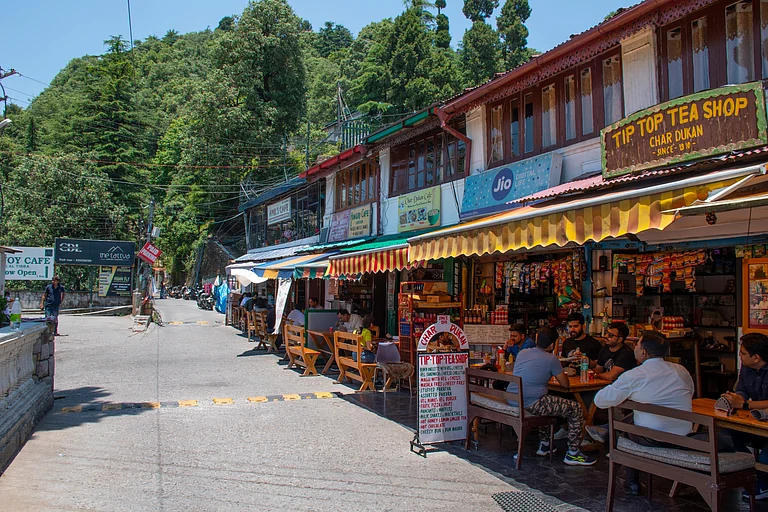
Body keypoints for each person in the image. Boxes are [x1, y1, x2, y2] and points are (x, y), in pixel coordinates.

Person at [593, 331, 694, 496]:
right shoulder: (681, 370)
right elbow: (690, 392)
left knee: (627, 428)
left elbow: (600, 400)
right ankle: (606, 432)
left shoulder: (635, 375)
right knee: (635, 418)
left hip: (652, 439)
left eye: (637, 344)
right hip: (683, 436)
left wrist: (632, 396)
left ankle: (631, 482)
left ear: (644, 352)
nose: (635, 347)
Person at [508, 326, 597, 466]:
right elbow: (565, 385)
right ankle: (573, 453)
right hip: (531, 402)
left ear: (536, 339)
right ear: (552, 344)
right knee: (575, 408)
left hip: (513, 398)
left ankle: (544, 445)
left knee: (547, 400)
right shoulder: (552, 359)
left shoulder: (523, 352)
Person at [722, 333, 768, 500]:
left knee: (764, 457)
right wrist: (736, 398)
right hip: (754, 422)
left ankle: (762, 485)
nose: (739, 356)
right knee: (725, 437)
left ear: (756, 357)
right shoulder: (746, 369)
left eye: (742, 353)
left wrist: (744, 404)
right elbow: (741, 390)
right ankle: (749, 474)